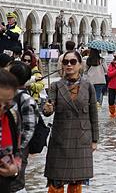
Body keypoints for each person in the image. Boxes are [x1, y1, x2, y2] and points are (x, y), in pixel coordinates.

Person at [42, 51, 99, 193]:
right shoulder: (56, 86)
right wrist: (48, 108)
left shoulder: (88, 86)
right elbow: (48, 110)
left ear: (80, 65)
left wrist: (94, 140)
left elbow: (94, 114)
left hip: (82, 138)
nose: (69, 65)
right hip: (60, 139)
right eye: (66, 62)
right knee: (56, 182)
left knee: (76, 182)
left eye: (73, 62)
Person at [8, 62, 37, 193]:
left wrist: (18, 148)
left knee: (16, 183)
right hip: (6, 147)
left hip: (18, 149)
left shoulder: (25, 99)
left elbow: (29, 128)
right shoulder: (7, 96)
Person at [0, 69, 22, 193]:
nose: (3, 108)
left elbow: (17, 151)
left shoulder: (12, 116)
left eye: (7, 104)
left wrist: (14, 169)